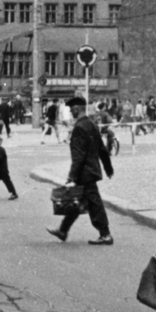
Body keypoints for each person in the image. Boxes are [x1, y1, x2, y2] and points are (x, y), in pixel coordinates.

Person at [47, 95, 115, 245]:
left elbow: (78, 157)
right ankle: (63, 231)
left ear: (77, 109)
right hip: (91, 170)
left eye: (72, 110)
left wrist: (71, 178)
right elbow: (102, 149)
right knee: (76, 202)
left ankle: (105, 234)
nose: (71, 112)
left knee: (93, 204)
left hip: (84, 173)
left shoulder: (79, 128)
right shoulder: (92, 124)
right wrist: (108, 168)